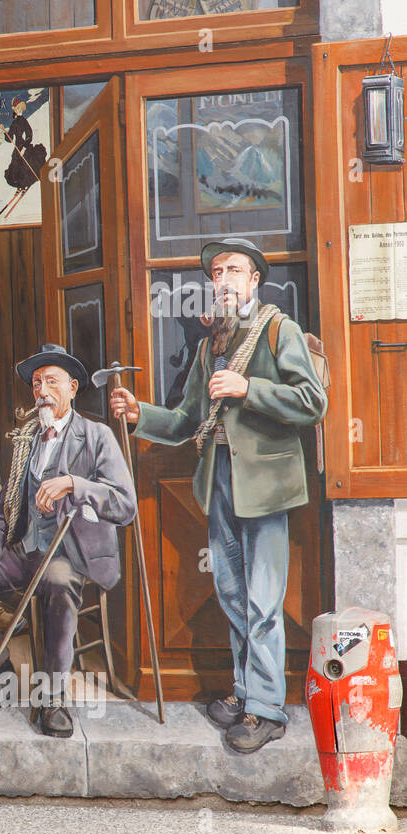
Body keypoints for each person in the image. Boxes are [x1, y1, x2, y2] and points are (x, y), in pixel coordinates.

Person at [109, 237, 326, 754]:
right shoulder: (212, 345)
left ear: (254, 281)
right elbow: (187, 420)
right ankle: (247, 691)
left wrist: (247, 389)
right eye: (217, 273)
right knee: (231, 594)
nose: (223, 279)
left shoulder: (279, 330)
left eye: (235, 271)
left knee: (263, 601)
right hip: (221, 479)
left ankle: (268, 710)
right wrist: (140, 414)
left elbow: (312, 402)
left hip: (268, 485)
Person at [0, 345, 135, 738]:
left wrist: (75, 484)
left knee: (59, 578)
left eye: (52, 381)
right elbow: (4, 506)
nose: (42, 391)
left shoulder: (96, 436)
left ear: (72, 388)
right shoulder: (26, 440)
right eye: (36, 384)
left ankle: (52, 698)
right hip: (27, 551)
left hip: (73, 552)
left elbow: (125, 505)